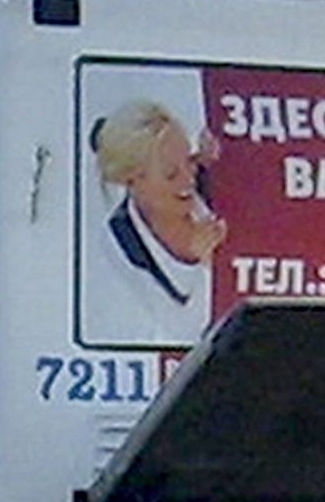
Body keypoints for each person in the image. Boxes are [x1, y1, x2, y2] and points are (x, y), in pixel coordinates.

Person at [82, 97, 226, 349]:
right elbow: (185, 332)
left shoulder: (210, 184)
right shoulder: (124, 240)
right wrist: (204, 265)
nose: (189, 180)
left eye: (190, 161)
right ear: (132, 180)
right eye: (171, 174)